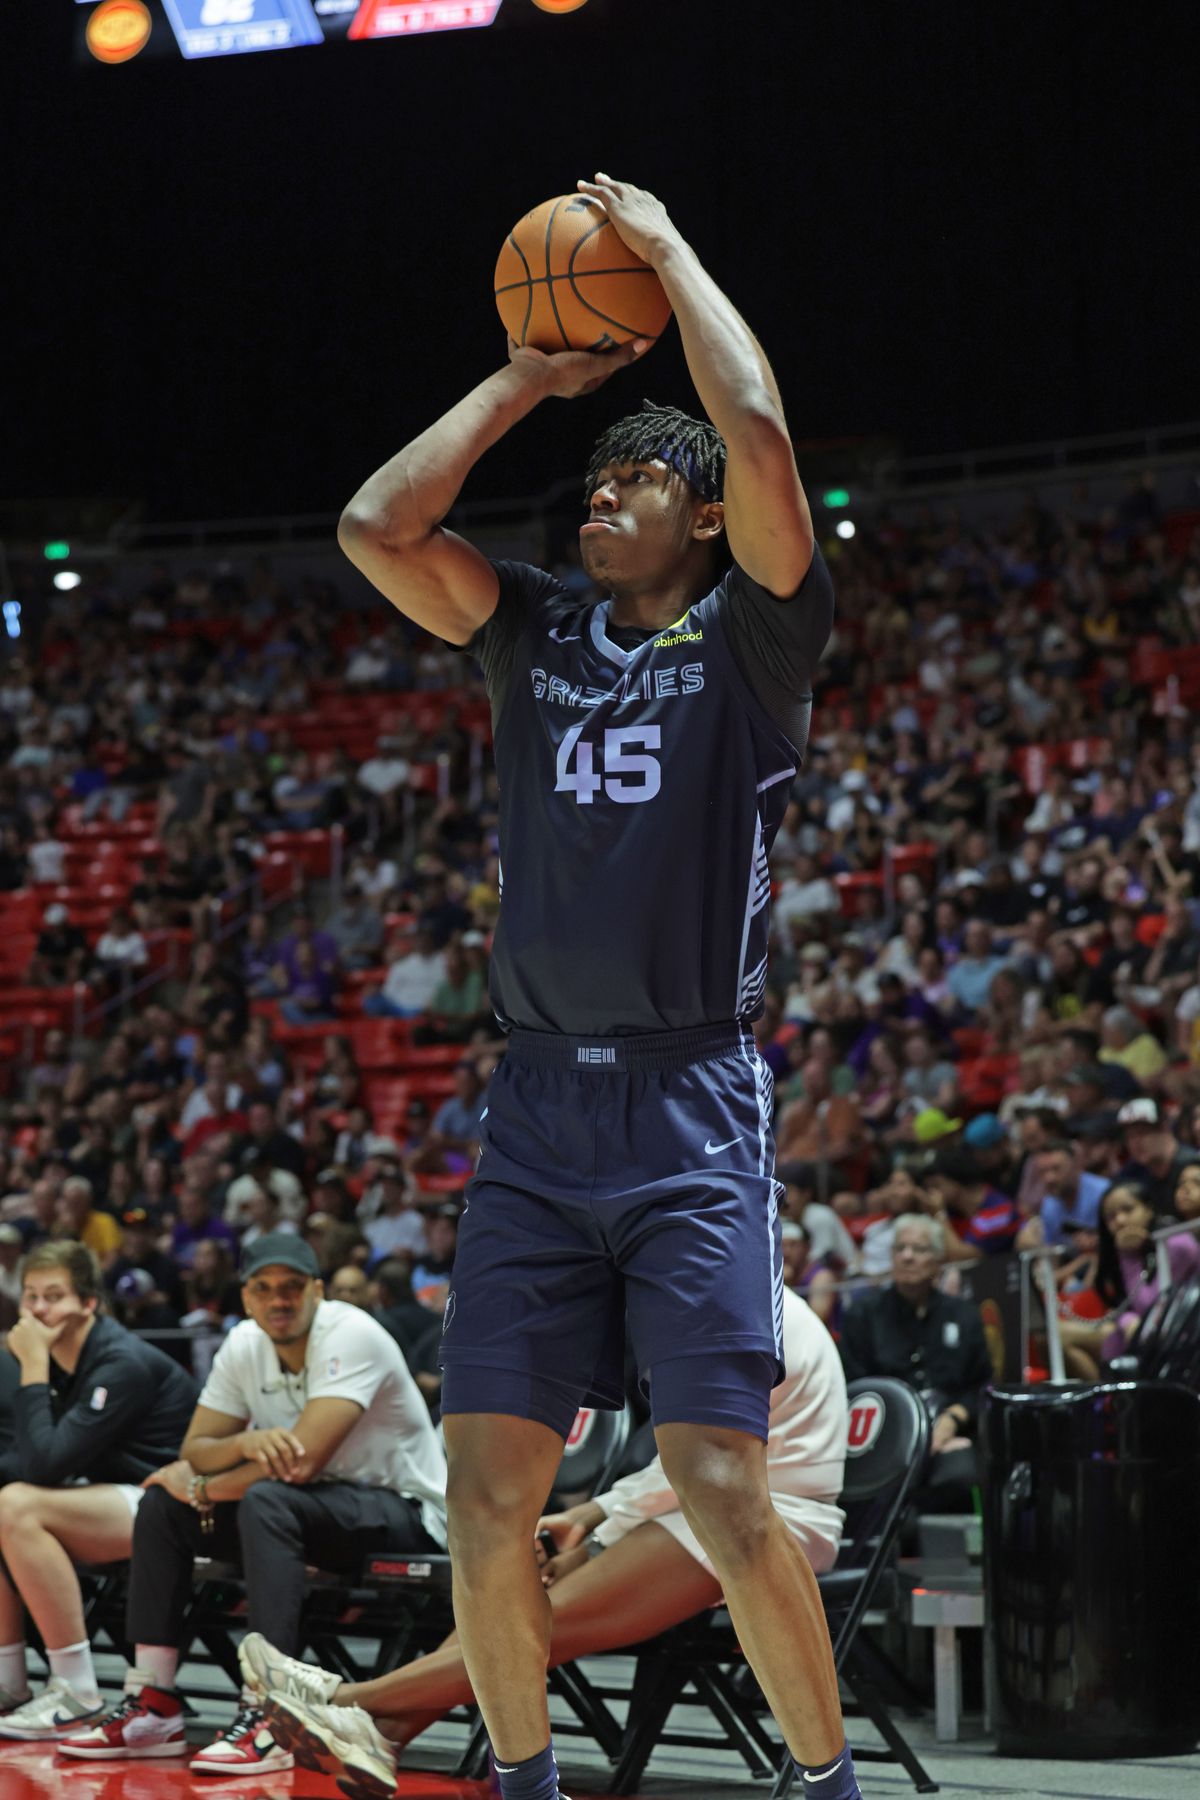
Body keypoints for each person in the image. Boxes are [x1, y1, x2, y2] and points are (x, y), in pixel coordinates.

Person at [337, 172, 856, 1800]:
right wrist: (525, 375)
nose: (601, 499)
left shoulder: (758, 639)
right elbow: (374, 529)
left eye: (637, 481)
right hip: (537, 1112)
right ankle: (526, 1785)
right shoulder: (533, 629)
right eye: (600, 480)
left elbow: (755, 433)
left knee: (721, 1482)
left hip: (691, 1102)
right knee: (487, 1498)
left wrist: (670, 251)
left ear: (701, 522)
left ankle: (829, 1786)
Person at [235, 1285, 849, 1800]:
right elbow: (685, 1467)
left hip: (777, 1519)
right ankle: (383, 1735)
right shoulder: (725, 1298)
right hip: (704, 1509)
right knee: (519, 1605)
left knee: (545, 1625)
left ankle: (341, 1699)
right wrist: (594, 1517)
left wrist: (602, 1523)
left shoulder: (739, 1311)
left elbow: (708, 1466)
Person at [56, 1233, 447, 1775]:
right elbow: (196, 1448)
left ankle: (272, 1712)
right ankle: (154, 1702)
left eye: (291, 1287)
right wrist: (243, 1443)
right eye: (263, 1288)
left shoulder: (352, 1333)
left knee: (261, 1499)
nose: (278, 1300)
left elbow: (301, 1462)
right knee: (162, 1506)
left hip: (403, 1510)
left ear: (317, 1291)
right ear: (245, 1297)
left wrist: (201, 1488)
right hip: (307, 1509)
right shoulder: (243, 1342)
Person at [0, 1241, 196, 1738]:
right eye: (31, 1297)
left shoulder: (120, 1362)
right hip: (114, 1497)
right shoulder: (63, 1360)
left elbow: (44, 1466)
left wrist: (32, 1367)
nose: (38, 1310)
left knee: (17, 1506)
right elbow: (29, 1456)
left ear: (89, 1302)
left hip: (173, 1507)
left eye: (54, 1296)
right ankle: (8, 1683)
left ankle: (76, 1691)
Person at [839, 1213, 993, 1508]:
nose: (907, 1257)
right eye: (900, 1248)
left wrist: (953, 1419)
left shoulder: (963, 1315)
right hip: (883, 1436)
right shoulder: (864, 1315)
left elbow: (982, 1384)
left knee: (961, 1479)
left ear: (938, 1261)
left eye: (919, 1249)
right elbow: (855, 1386)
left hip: (948, 1434)